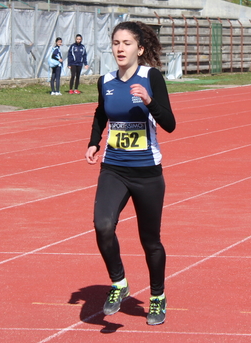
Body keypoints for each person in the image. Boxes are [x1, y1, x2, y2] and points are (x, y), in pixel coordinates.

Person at [85, 21, 176, 326]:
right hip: (114, 168)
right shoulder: (106, 81)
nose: (120, 48)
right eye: (115, 43)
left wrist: (150, 102)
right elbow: (101, 113)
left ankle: (158, 297)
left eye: (126, 43)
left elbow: (170, 123)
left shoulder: (151, 77)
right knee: (103, 225)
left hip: (147, 172)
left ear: (139, 49)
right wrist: (94, 142)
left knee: (150, 240)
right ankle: (118, 282)